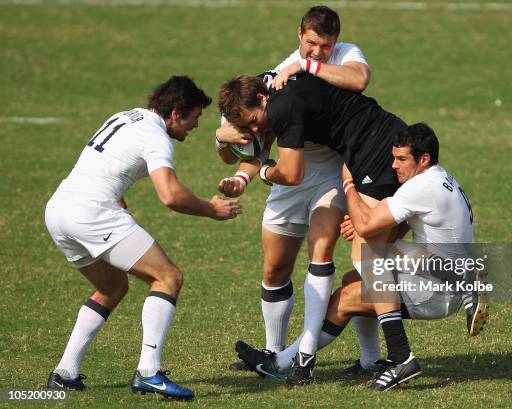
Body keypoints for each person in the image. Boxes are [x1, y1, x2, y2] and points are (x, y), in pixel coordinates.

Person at [235, 123, 489, 391]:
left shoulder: (420, 187)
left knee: (348, 296)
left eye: (401, 159)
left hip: (435, 293)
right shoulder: (440, 178)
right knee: (354, 276)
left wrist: (348, 185)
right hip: (438, 271)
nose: (393, 165)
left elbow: (367, 226)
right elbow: (390, 227)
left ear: (423, 159)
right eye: (393, 158)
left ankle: (285, 362)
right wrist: (364, 223)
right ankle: (370, 360)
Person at [44, 76, 241, 400]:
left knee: (112, 287)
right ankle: (148, 372)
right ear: (176, 113)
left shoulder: (126, 116)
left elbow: (103, 165)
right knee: (168, 277)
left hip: (58, 211)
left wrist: (119, 205)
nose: (194, 126)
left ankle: (65, 373)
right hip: (91, 214)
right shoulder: (156, 137)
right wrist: (211, 210)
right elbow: (170, 195)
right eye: (194, 117)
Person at [214, 6, 381, 386]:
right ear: (298, 34)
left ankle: (314, 357)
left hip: (331, 172)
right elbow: (253, 135)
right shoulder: (276, 76)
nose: (317, 51)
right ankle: (274, 355)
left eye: (325, 45)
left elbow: (359, 80)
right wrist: (225, 146)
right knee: (274, 269)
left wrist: (310, 68)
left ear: (335, 41)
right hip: (290, 176)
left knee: (324, 254)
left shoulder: (345, 55)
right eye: (310, 44)